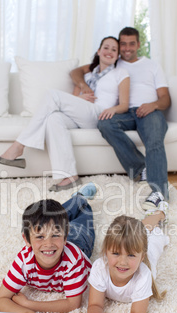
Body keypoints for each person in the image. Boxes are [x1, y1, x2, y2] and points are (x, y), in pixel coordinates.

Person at [0, 36, 130, 192]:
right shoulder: (88, 73)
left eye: (114, 49)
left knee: (52, 95)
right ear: (98, 51)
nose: (109, 52)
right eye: (106, 47)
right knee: (53, 118)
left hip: (99, 113)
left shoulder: (121, 73)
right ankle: (69, 176)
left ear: (118, 55)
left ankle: (19, 146)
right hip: (82, 113)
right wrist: (79, 98)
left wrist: (113, 109)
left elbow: (124, 105)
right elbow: (72, 98)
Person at [70, 27, 171, 209]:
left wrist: (153, 105)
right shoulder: (113, 62)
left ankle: (159, 194)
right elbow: (76, 71)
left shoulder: (152, 65)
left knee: (154, 141)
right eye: (122, 44)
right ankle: (140, 168)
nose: (126, 48)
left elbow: (165, 99)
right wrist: (84, 86)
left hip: (149, 111)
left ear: (138, 45)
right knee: (105, 123)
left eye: (131, 43)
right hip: (124, 113)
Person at [0, 182, 97, 313]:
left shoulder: (73, 259)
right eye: (40, 237)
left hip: (78, 238)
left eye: (54, 235)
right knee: (54, 218)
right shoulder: (24, 260)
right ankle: (67, 209)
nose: (48, 243)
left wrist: (29, 304)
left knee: (84, 212)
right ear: (27, 240)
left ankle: (80, 197)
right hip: (61, 237)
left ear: (65, 237)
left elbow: (73, 304)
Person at [87, 202, 169, 313]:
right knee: (138, 231)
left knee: (156, 235)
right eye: (115, 253)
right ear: (106, 251)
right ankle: (150, 218)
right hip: (135, 244)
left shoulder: (144, 275)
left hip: (149, 250)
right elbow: (94, 305)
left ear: (142, 257)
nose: (123, 262)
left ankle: (160, 213)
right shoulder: (99, 267)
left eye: (130, 255)